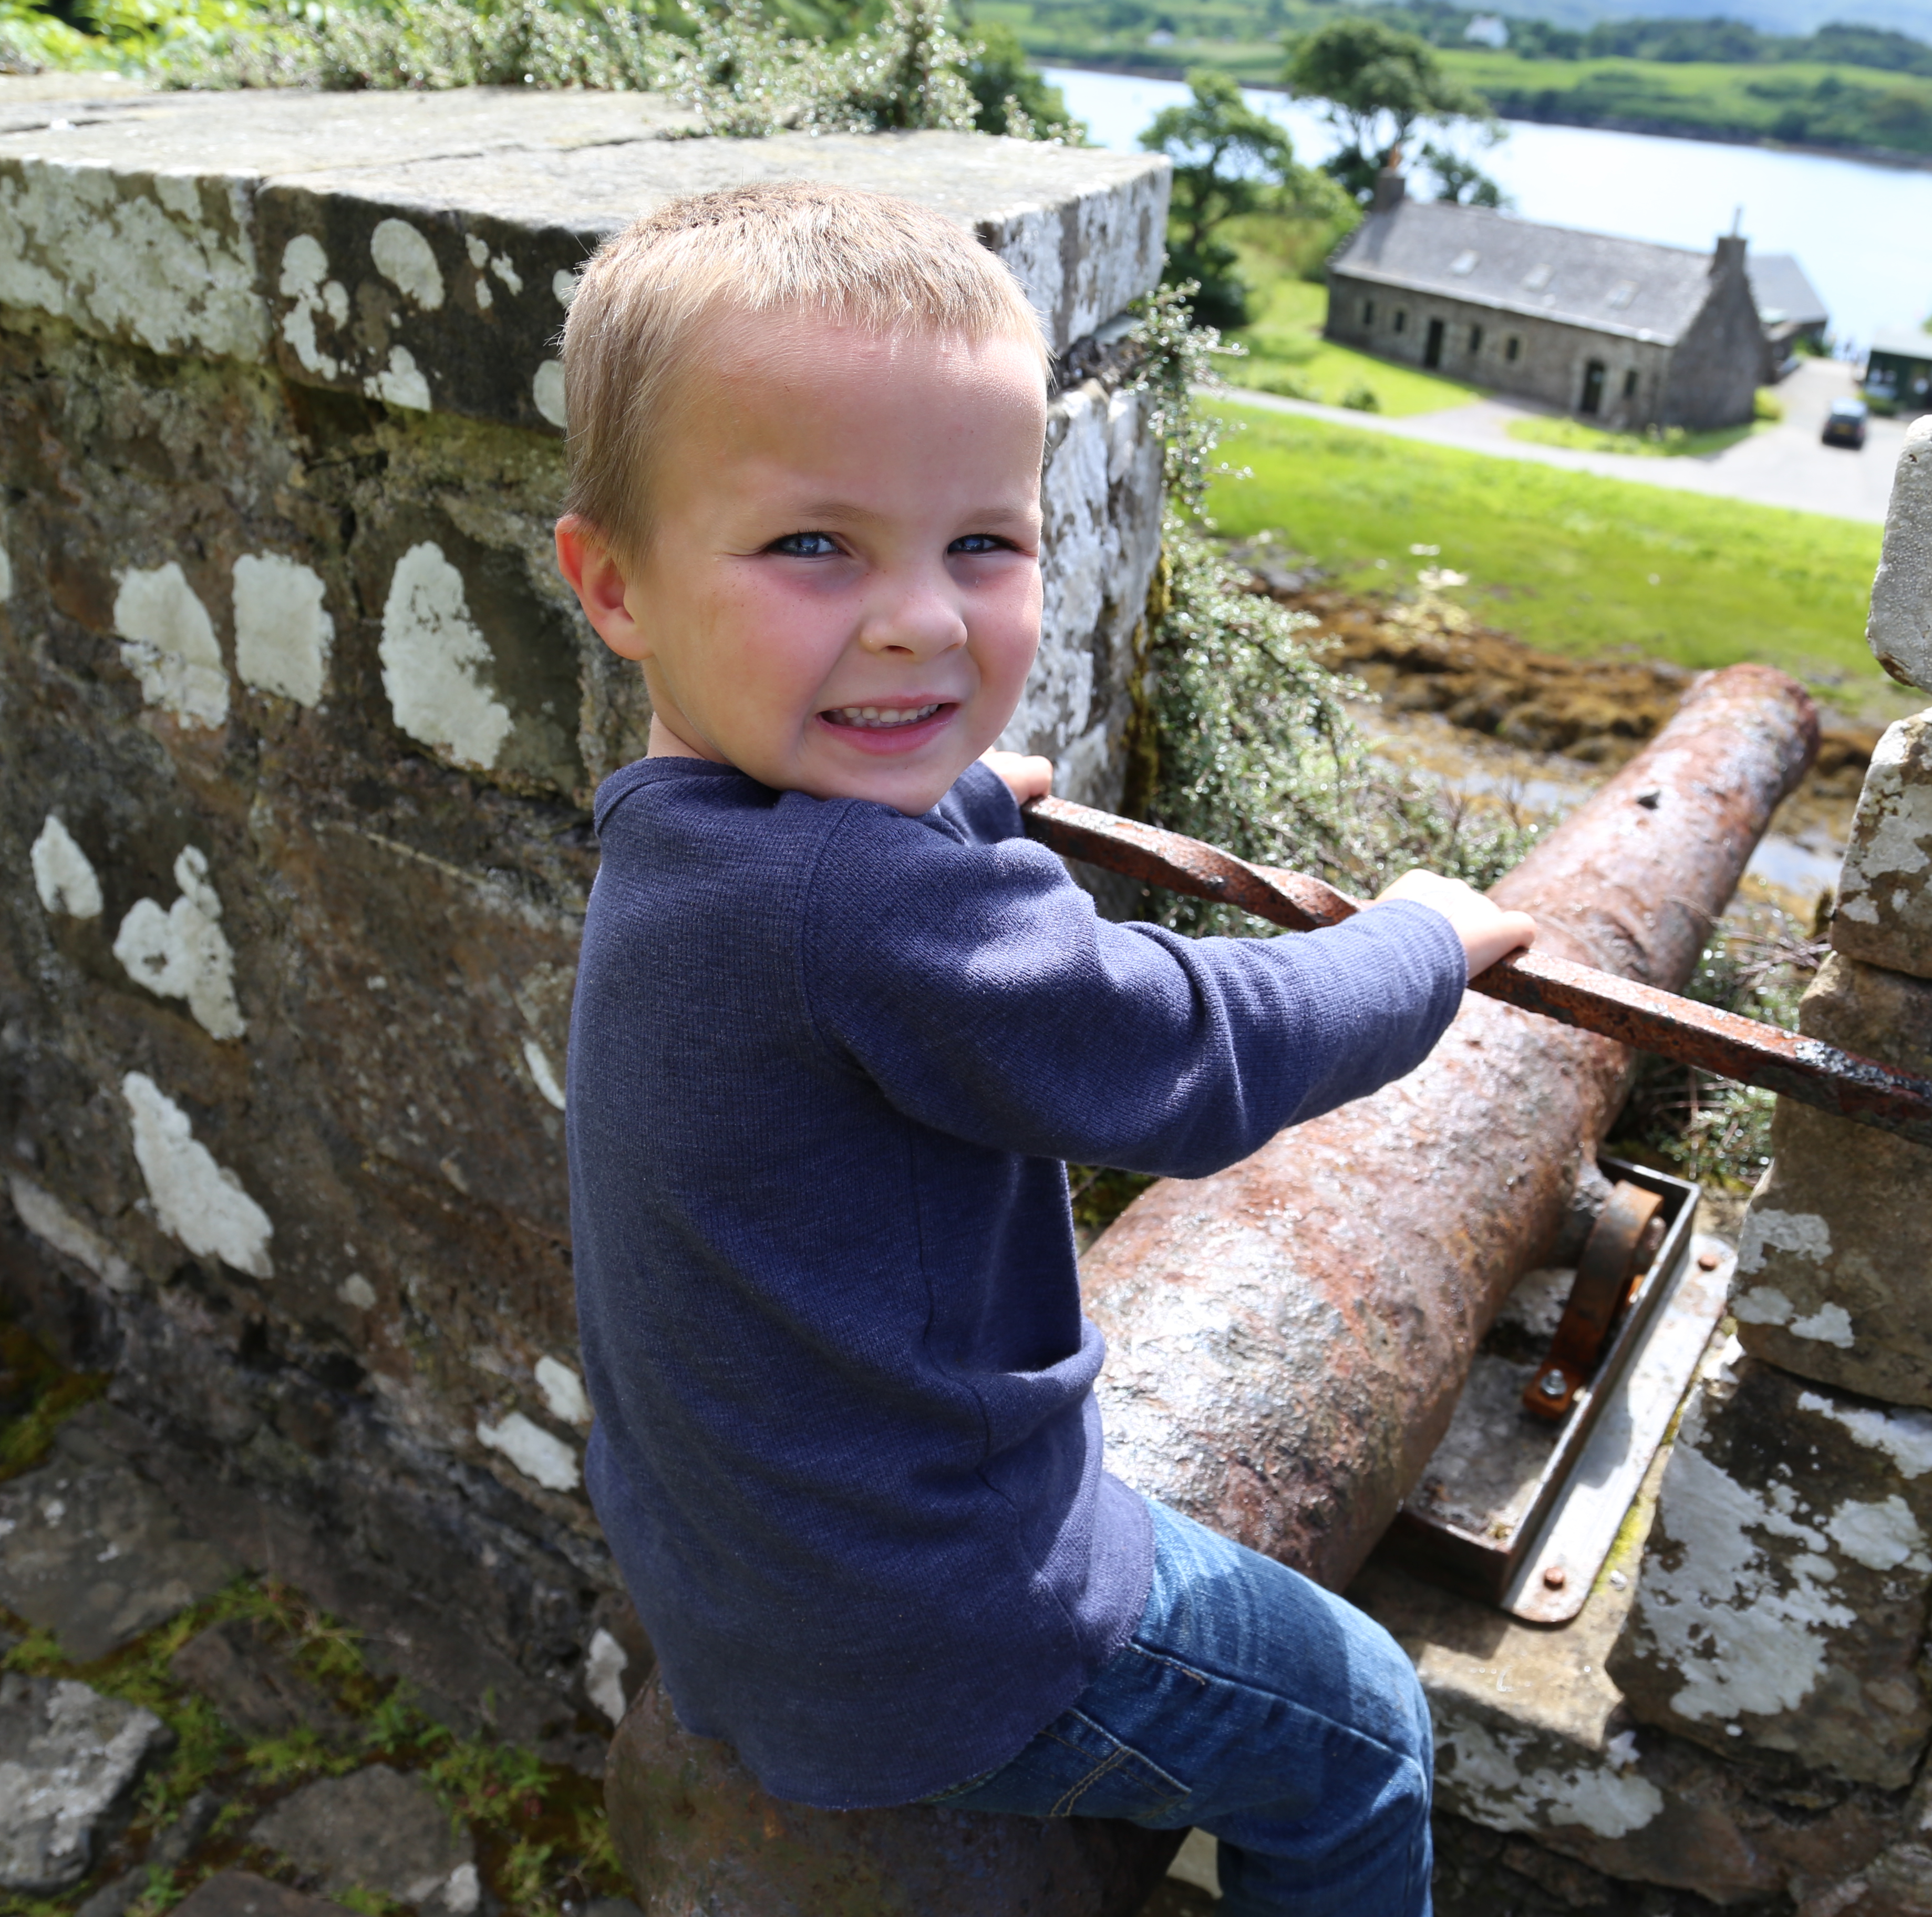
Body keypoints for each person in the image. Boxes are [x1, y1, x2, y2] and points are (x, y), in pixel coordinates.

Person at [552, 180, 1535, 1916]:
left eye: (981, 544)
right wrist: (1421, 946)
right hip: (937, 1627)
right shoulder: (859, 905)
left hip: (745, 1587)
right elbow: (1197, 1052)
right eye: (813, 547)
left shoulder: (682, 836)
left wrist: (950, 809)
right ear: (614, 584)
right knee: (1366, 1728)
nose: (923, 619)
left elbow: (847, 916)